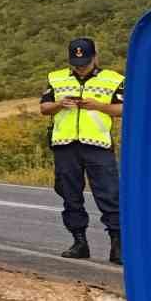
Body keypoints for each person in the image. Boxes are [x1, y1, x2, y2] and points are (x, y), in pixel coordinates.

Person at [39, 37, 124, 263]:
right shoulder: (56, 78)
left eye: (85, 62)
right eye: (76, 63)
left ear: (95, 57)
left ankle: (117, 245)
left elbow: (123, 109)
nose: (80, 67)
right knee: (70, 196)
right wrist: (60, 104)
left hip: (98, 146)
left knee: (110, 195)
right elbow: (44, 107)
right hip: (65, 145)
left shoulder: (113, 79)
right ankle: (79, 242)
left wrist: (99, 106)